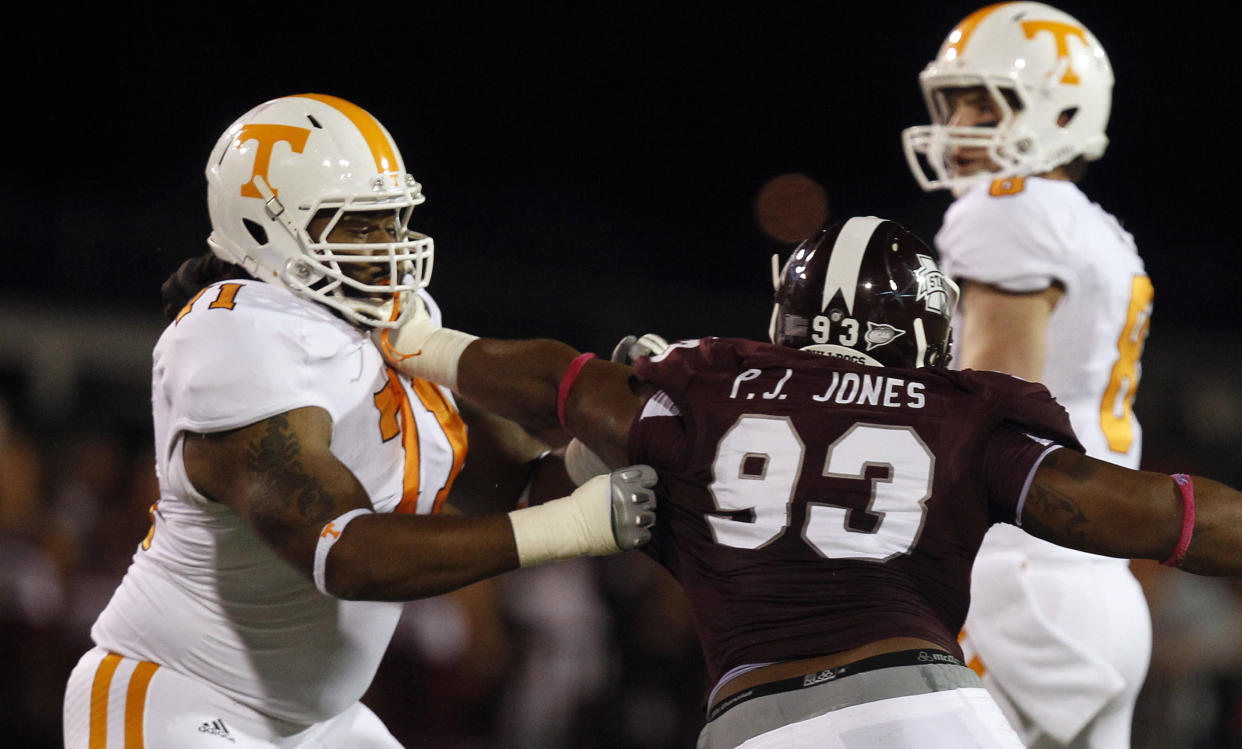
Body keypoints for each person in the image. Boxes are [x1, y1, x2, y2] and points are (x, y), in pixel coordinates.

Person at [375, 215, 1242, 749]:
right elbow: (1171, 517)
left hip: (764, 723)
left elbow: (550, 386)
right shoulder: (962, 420)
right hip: (933, 712)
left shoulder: (696, 397)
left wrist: (426, 347)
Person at [60, 93, 656, 749]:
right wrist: (572, 525)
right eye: (359, 226)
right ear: (265, 227)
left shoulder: (386, 317)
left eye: (393, 220)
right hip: (183, 696)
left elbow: (492, 489)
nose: (389, 247)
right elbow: (344, 553)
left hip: (324, 720)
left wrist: (595, 460)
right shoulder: (235, 334)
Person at [901, 4, 1152, 746]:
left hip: (1019, 581)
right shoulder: (1093, 225)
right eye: (955, 103)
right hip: (1088, 585)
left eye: (986, 102)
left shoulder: (1011, 209)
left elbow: (986, 410)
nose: (962, 124)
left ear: (1061, 107)